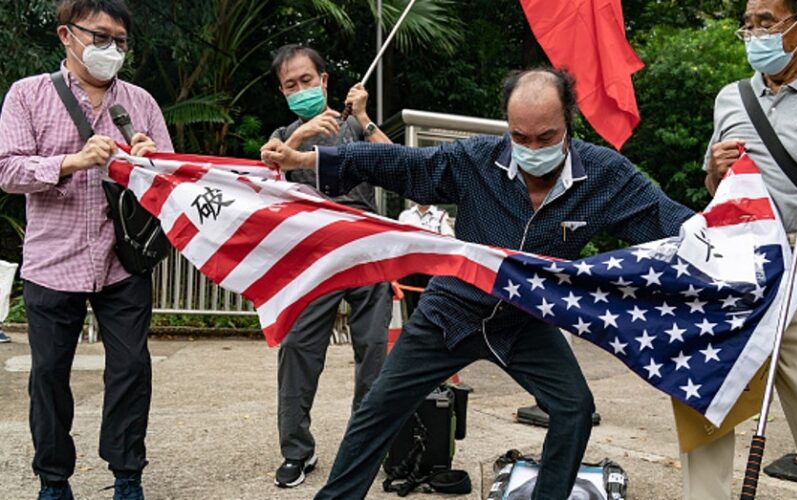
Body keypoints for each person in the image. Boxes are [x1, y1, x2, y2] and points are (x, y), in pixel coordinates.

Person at [262, 67, 696, 499]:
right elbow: (401, 164)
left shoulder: (605, 176)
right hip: (452, 310)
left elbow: (669, 220)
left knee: (575, 409)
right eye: (520, 137)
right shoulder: (476, 160)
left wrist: (737, 239)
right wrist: (308, 160)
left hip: (527, 319)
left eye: (545, 138)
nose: (531, 149)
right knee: (378, 407)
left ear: (568, 124)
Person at [0, 1, 173, 498]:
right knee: (49, 375)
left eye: (120, 40)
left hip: (124, 262)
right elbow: (8, 170)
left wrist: (151, 162)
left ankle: (127, 476)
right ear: (65, 35)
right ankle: (53, 481)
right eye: (100, 37)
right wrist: (71, 161)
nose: (111, 49)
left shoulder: (141, 102)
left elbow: (170, 180)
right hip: (53, 263)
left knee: (132, 370)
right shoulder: (27, 95)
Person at [688, 1, 797, 498]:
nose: (753, 34)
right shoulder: (732, 97)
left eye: (766, 22)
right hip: (734, 272)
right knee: (702, 410)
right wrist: (716, 173)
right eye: (748, 24)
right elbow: (713, 187)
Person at [268, 44, 393, 488]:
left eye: (307, 81)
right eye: (291, 85)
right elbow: (265, 172)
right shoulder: (284, 133)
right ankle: (296, 451)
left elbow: (397, 162)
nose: (301, 89)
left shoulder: (354, 126)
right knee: (298, 349)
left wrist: (363, 115)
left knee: (373, 352)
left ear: (324, 81)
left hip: (367, 249)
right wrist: (300, 136)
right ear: (283, 93)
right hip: (312, 258)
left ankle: (363, 446)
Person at [397, 204, 454, 315]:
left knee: (431, 304)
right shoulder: (405, 216)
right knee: (410, 306)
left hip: (431, 269)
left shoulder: (441, 215)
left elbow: (449, 239)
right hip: (410, 268)